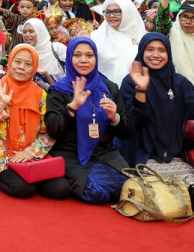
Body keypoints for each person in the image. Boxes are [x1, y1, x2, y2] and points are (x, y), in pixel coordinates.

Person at [118, 32, 194, 188]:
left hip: (175, 154)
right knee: (162, 195)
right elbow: (133, 122)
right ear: (141, 51)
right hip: (143, 154)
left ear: (169, 53)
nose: (156, 55)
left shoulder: (179, 82)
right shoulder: (131, 81)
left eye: (162, 50)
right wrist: (142, 91)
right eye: (150, 49)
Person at [0, 44, 67, 199]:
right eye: (17, 62)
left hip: (31, 157)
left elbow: (48, 134)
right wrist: (1, 106)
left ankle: (30, 177)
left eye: (28, 64)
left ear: (34, 67)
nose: (21, 67)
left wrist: (30, 152)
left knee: (60, 189)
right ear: (10, 63)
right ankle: (8, 177)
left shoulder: (40, 96)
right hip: (0, 158)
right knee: (23, 189)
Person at [45, 38, 133, 204]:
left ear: (96, 59)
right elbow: (53, 130)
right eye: (77, 55)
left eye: (89, 55)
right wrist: (73, 106)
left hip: (105, 153)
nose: (83, 60)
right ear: (69, 58)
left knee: (129, 186)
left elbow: (127, 131)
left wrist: (115, 118)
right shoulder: (59, 90)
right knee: (98, 192)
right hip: (71, 154)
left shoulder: (109, 88)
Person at [89, 0, 145, 84]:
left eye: (117, 11)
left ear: (128, 12)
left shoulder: (142, 36)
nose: (111, 15)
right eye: (108, 12)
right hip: (106, 91)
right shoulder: (95, 37)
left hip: (138, 90)